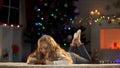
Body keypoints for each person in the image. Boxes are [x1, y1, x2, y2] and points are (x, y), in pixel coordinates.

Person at [26, 29, 91, 65]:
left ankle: (78, 42)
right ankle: (74, 42)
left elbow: (68, 61)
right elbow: (29, 60)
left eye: (45, 48)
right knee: (67, 54)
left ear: (51, 47)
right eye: (41, 48)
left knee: (88, 61)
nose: (43, 50)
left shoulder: (56, 52)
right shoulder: (40, 53)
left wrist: (53, 63)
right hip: (66, 54)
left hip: (72, 57)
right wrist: (40, 61)